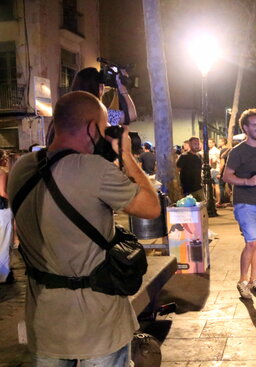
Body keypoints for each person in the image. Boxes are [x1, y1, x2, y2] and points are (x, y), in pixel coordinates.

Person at [7, 91, 160, 365]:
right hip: (98, 323)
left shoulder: (21, 168)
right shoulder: (95, 170)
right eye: (102, 129)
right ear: (92, 128)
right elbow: (151, 207)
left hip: (45, 321)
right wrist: (125, 154)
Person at [223, 109, 256, 299]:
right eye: (254, 125)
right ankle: (242, 282)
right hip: (244, 204)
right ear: (245, 128)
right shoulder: (237, 151)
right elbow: (227, 176)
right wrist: (247, 182)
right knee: (250, 243)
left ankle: (254, 280)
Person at [70, 67, 137, 126]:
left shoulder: (70, 111)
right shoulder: (100, 114)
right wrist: (122, 88)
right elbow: (131, 115)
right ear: (99, 87)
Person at [176, 137, 205, 202]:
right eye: (195, 144)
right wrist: (179, 186)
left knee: (202, 207)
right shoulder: (184, 156)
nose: (197, 146)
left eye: (198, 144)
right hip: (187, 189)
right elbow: (177, 170)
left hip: (198, 187)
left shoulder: (199, 156)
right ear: (190, 144)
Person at [0, 149, 14, 284]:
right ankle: (3, 276)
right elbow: (3, 192)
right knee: (4, 243)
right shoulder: (2, 172)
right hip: (2, 210)